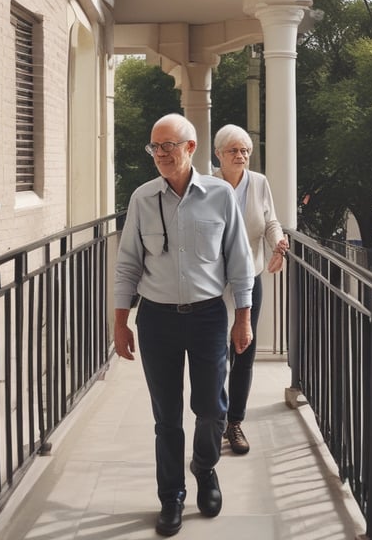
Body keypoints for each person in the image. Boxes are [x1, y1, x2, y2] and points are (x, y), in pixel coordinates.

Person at [114, 113, 255, 537]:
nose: (160, 154)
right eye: (155, 147)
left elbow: (239, 261)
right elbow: (126, 266)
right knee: (167, 416)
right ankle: (171, 494)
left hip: (210, 315)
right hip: (156, 318)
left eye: (168, 146)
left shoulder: (219, 195)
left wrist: (243, 318)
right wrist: (121, 322)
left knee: (212, 409)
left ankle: (206, 468)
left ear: (191, 148)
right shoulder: (142, 199)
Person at [213, 124, 289, 455]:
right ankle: (212, 422)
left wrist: (278, 245)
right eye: (234, 151)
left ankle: (234, 423)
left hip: (251, 278)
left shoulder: (259, 183)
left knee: (243, 351)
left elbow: (270, 221)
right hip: (214, 283)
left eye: (245, 150)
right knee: (215, 353)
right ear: (219, 155)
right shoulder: (205, 185)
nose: (241, 155)